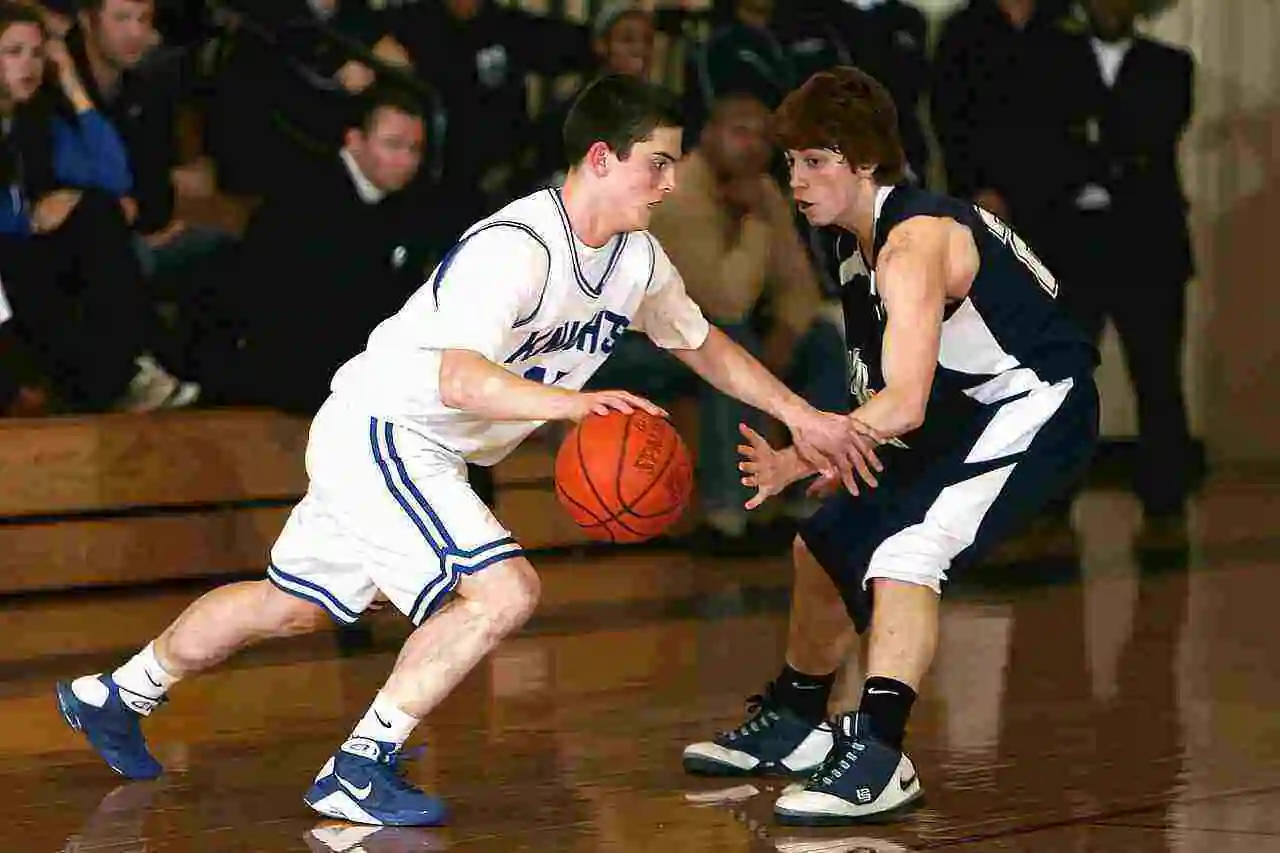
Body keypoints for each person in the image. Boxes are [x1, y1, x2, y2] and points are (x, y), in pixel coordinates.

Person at [53, 74, 877, 828]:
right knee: (503, 590)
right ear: (601, 158)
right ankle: (360, 762)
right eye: (656, 165)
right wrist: (574, 406)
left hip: (415, 448)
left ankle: (116, 692)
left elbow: (703, 344)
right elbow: (457, 376)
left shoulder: (635, 258)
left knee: (290, 603)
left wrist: (801, 414)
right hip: (391, 427)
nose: (669, 184)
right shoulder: (516, 245)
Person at [681, 66, 1100, 825]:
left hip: (1037, 405)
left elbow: (901, 404)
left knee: (907, 554)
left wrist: (804, 450)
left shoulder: (909, 247)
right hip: (956, 409)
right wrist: (833, 450)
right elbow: (888, 394)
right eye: (792, 163)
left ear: (865, 161)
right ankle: (797, 719)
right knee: (826, 541)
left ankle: (879, 753)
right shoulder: (855, 246)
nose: (797, 180)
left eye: (816, 161)